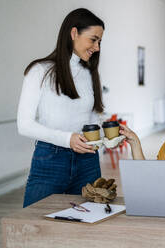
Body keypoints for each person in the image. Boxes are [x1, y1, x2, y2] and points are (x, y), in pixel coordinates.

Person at [17, 8, 105, 207]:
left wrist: (103, 138)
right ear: (74, 33)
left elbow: (90, 119)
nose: (97, 47)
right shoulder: (40, 71)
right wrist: (68, 139)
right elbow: (24, 125)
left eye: (100, 41)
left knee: (88, 225)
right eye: (93, 39)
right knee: (36, 224)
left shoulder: (89, 73)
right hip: (50, 159)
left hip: (87, 159)